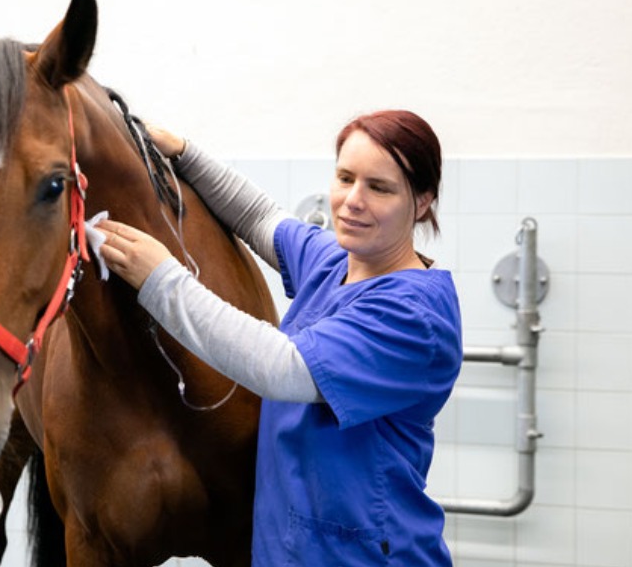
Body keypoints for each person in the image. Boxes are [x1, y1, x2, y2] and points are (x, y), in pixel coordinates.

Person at [97, 110, 463, 565]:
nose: (352, 201)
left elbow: (282, 368)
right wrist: (186, 153)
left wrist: (162, 280)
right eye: (345, 178)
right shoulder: (335, 264)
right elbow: (258, 216)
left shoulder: (413, 317)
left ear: (423, 200)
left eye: (379, 187)